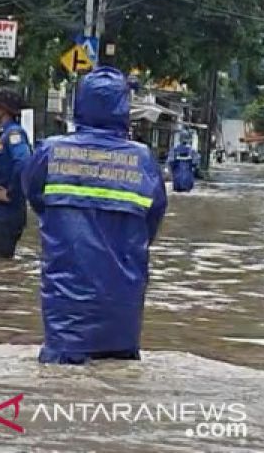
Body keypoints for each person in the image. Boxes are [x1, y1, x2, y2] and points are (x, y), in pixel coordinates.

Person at [21, 67, 168, 365]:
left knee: (60, 383)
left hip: (67, 298)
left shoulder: (52, 151)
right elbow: (153, 218)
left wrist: (62, 222)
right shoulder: (142, 159)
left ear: (80, 104)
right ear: (124, 107)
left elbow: (34, 196)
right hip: (123, 298)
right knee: (119, 378)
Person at [0, 88, 33, 259]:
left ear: (4, 110)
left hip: (3, 217)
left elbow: (24, 163)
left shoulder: (14, 134)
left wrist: (11, 193)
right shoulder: (1, 135)